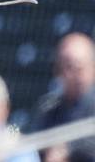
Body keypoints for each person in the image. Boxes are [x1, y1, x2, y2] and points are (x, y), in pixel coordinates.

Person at [30, 32, 95, 162]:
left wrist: (68, 150)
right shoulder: (50, 108)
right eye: (70, 67)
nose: (76, 73)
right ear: (58, 70)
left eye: (81, 66)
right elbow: (36, 144)